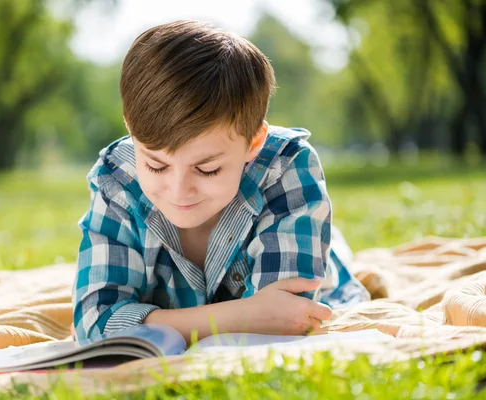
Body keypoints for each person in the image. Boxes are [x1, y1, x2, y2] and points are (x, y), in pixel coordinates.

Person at [72, 20, 370, 344]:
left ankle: (334, 243)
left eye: (208, 169)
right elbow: (93, 325)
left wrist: (153, 321)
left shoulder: (286, 165)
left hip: (316, 263)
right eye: (156, 165)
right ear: (130, 129)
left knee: (332, 253)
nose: (178, 190)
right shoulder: (118, 176)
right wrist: (242, 315)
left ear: (253, 144)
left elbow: (287, 319)